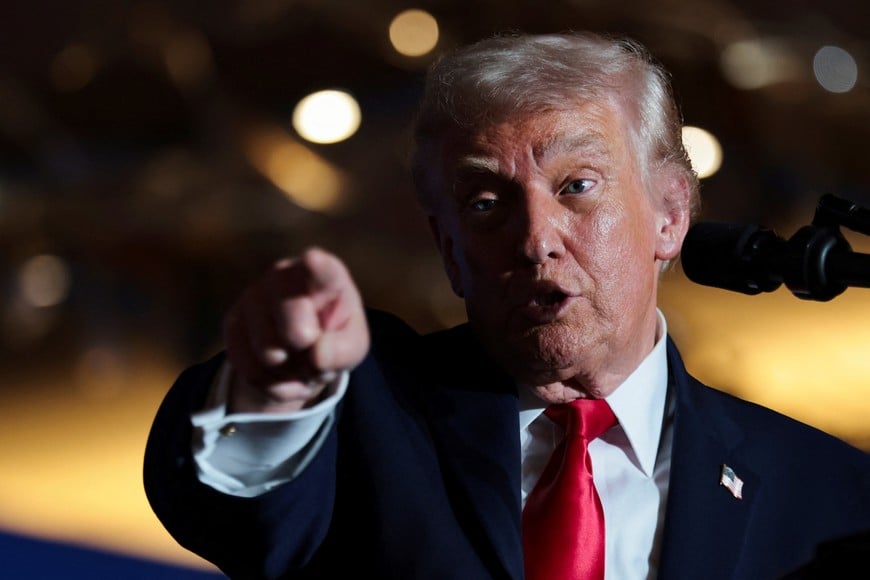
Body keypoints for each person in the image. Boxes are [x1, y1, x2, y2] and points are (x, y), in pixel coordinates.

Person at [143, 31, 870, 579]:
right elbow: (228, 506)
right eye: (486, 202)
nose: (533, 238)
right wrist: (274, 386)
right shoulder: (366, 416)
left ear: (671, 214)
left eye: (576, 186)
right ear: (450, 248)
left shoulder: (825, 487)